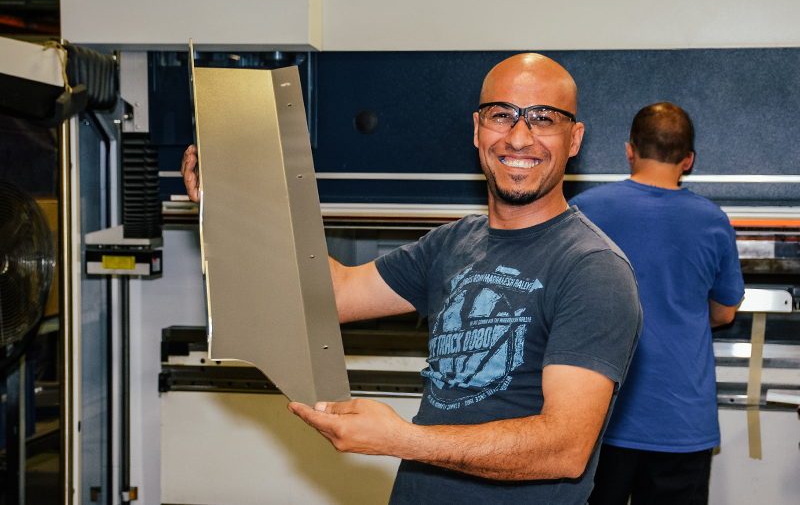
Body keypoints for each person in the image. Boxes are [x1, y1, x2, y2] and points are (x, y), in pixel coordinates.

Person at [182, 53, 642, 504]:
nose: (519, 137)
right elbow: (331, 294)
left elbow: (564, 449)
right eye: (501, 115)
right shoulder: (453, 243)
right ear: (477, 130)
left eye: (543, 118)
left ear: (574, 138)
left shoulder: (593, 268)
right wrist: (233, 205)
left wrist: (401, 439)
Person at [568, 102, 745, 505]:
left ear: (630, 149)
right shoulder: (713, 220)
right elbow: (724, 311)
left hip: (595, 415)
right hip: (681, 422)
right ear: (689, 160)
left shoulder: (584, 212)